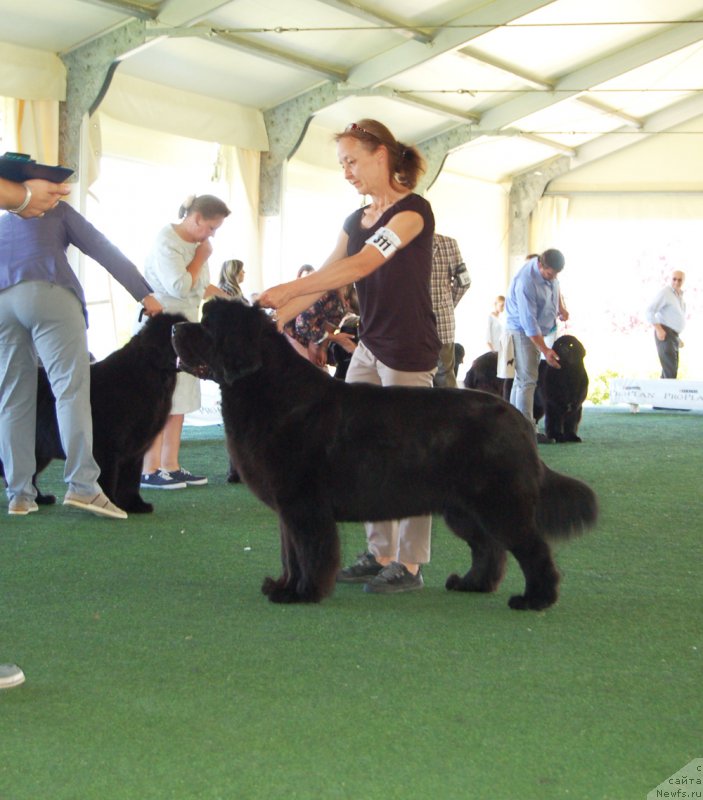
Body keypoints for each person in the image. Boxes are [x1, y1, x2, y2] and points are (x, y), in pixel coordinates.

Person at [259, 118, 440, 594]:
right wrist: (275, 317)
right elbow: (329, 275)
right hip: (369, 348)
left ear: (381, 155)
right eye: (342, 164)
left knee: (412, 456)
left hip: (408, 351)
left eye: (352, 161)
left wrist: (288, 289)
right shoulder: (353, 220)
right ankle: (379, 551)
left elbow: (362, 265)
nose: (346, 172)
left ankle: (411, 563)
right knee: (361, 452)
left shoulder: (413, 212)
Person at [0, 178, 162, 519]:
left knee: (14, 399)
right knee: (70, 390)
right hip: (50, 293)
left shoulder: (4, 220)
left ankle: (19, 494)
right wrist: (144, 294)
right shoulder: (57, 211)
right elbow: (102, 248)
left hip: (4, 302)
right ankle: (83, 486)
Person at [140, 194, 231, 490]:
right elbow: (179, 286)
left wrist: (234, 301)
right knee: (158, 398)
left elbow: (201, 286)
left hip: (187, 328)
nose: (212, 235)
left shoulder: (195, 245)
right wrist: (202, 257)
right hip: (162, 327)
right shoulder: (167, 241)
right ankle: (148, 468)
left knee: (179, 399)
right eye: (211, 227)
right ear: (196, 218)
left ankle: (171, 464)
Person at [504, 249, 567, 443]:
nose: (553, 277)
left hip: (540, 328)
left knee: (522, 379)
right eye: (550, 273)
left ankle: (514, 427)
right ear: (541, 265)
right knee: (528, 380)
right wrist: (545, 350)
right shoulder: (526, 282)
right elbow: (529, 324)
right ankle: (526, 431)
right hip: (523, 331)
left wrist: (561, 307)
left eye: (556, 274)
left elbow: (555, 287)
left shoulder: (549, 274)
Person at [431, 234, 470, 388]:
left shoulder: (403, 243)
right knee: (445, 375)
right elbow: (464, 282)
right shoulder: (449, 244)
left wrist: (448, 304)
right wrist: (446, 305)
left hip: (415, 323)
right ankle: (451, 412)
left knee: (415, 375)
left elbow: (464, 282)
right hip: (442, 322)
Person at [645, 270, 686, 378]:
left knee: (670, 371)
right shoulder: (665, 293)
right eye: (674, 279)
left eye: (680, 280)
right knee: (670, 371)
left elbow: (673, 319)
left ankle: (659, 394)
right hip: (665, 333)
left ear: (683, 281)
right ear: (670, 279)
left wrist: (677, 337)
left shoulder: (680, 297)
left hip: (673, 336)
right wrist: (659, 329)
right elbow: (649, 311)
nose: (677, 282)